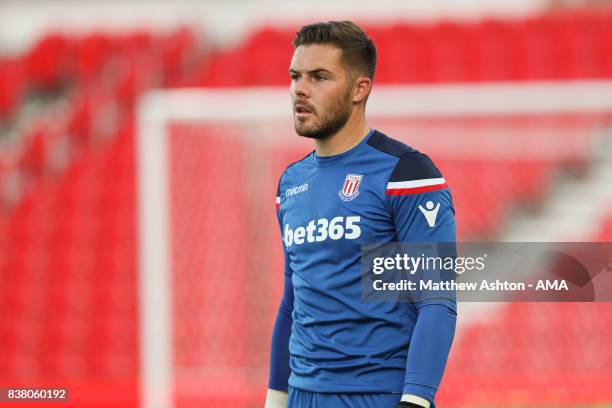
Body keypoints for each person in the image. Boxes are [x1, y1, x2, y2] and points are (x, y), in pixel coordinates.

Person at [266, 21, 457, 408]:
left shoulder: (406, 173)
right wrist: (276, 395)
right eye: (295, 76)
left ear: (359, 89)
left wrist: (416, 400)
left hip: (377, 396)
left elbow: (436, 299)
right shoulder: (291, 183)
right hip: (303, 395)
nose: (300, 89)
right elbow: (292, 300)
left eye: (319, 77)